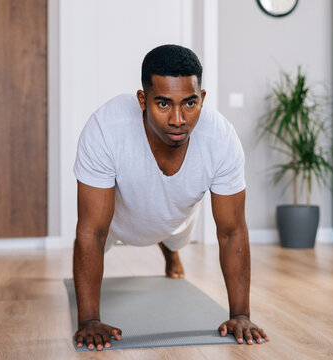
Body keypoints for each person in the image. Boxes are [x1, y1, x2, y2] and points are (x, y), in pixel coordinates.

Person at [72, 44, 269, 351]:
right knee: (100, 239)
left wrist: (240, 314)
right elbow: (91, 231)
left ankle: (170, 251)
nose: (178, 119)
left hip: (176, 216)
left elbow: (232, 233)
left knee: (175, 237)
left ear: (202, 99)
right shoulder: (105, 129)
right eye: (163, 104)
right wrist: (89, 321)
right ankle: (167, 247)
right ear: (142, 100)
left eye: (189, 103)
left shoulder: (221, 138)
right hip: (116, 222)